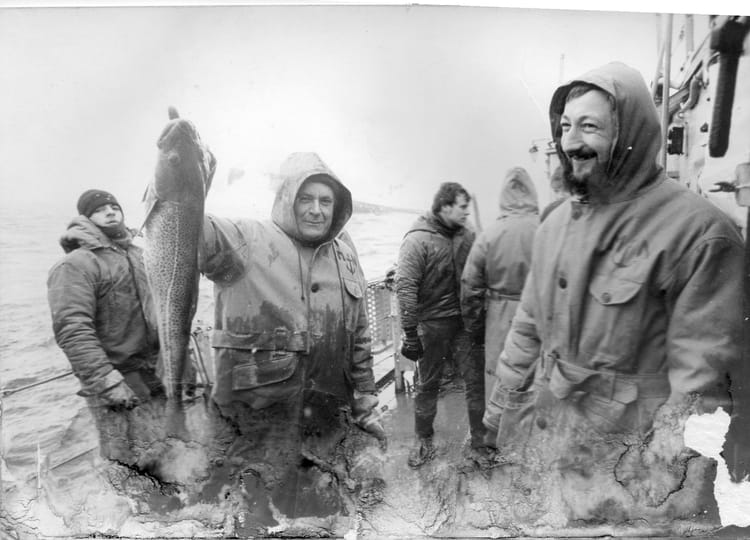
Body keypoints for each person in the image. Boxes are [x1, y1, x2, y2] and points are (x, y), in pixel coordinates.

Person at [484, 62, 743, 522]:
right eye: (565, 126)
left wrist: (660, 499)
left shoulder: (699, 233)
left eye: (589, 127)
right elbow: (527, 327)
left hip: (629, 479)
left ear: (630, 134)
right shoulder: (554, 223)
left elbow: (700, 390)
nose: (571, 142)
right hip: (553, 452)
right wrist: (497, 415)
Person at [199, 152, 385, 517]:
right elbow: (189, 236)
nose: (316, 210)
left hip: (328, 426)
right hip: (257, 429)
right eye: (305, 198)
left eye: (325, 201)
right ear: (286, 198)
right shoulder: (245, 238)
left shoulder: (346, 252)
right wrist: (190, 180)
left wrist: (366, 402)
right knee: (255, 517)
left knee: (323, 516)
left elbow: (360, 335)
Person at [47, 190, 163, 464]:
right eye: (100, 209)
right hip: (118, 377)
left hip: (155, 373)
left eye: (114, 207)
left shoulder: (139, 255)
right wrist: (106, 382)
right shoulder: (75, 265)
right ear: (86, 218)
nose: (110, 211)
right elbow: (72, 329)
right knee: (129, 463)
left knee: (166, 453)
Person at [395, 182, 490, 469]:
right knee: (428, 384)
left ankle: (479, 442)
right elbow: (406, 288)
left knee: (475, 383)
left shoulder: (468, 235)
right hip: (431, 326)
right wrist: (411, 334)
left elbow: (481, 275)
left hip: (463, 325)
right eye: (462, 207)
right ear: (445, 207)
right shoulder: (417, 240)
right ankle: (423, 438)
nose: (466, 213)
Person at [460, 167, 539, 406]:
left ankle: (499, 426)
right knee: (535, 383)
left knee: (499, 383)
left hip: (499, 318)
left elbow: (470, 288)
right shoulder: (548, 229)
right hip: (537, 318)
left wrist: (476, 329)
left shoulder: (489, 235)